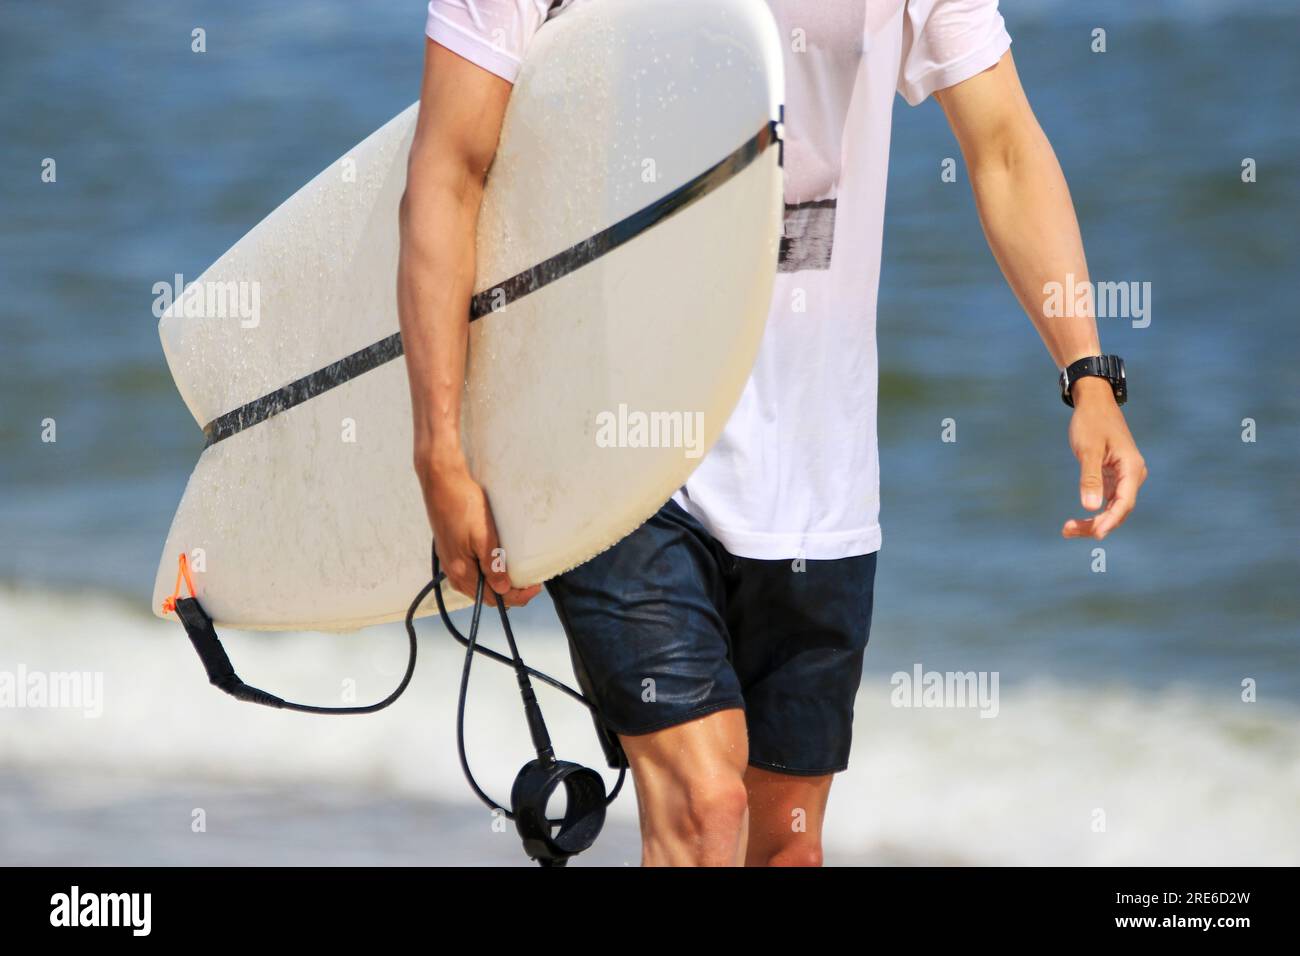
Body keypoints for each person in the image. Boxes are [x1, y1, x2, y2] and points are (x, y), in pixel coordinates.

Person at [398, 0, 1147, 867]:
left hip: (815, 468)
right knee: (706, 812)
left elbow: (1006, 147)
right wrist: (439, 451)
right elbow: (448, 172)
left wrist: (1087, 372)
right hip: (612, 453)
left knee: (785, 846)